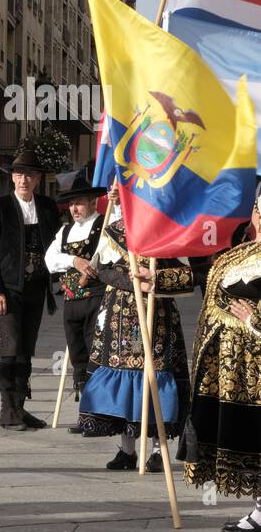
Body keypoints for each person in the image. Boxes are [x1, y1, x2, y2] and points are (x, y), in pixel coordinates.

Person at [77, 191, 192, 471]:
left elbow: (186, 275)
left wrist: (154, 281)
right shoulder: (115, 230)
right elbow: (99, 270)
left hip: (158, 315)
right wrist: (129, 282)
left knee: (154, 377)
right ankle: (127, 450)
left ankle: (157, 450)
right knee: (123, 382)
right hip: (120, 316)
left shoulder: (168, 229)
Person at [181, 186, 261, 532]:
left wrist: (255, 321)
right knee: (248, 440)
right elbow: (203, 277)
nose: (256, 217)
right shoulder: (239, 253)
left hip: (255, 367)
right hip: (232, 372)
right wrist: (155, 278)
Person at [0, 150, 62, 431]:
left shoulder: (48, 208)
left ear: (38, 178)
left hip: (37, 289)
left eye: (28, 174)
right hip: (9, 290)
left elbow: (59, 246)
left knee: (27, 348)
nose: (23, 179)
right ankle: (7, 409)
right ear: (11, 178)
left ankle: (20, 407)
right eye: (18, 174)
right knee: (10, 348)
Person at [44, 179, 105, 420]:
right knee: (78, 356)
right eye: (71, 204)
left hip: (97, 299)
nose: (74, 209)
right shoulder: (65, 231)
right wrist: (74, 261)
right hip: (71, 302)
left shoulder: (104, 224)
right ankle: (84, 412)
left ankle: (97, 412)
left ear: (92, 202)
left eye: (78, 204)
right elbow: (50, 260)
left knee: (95, 354)